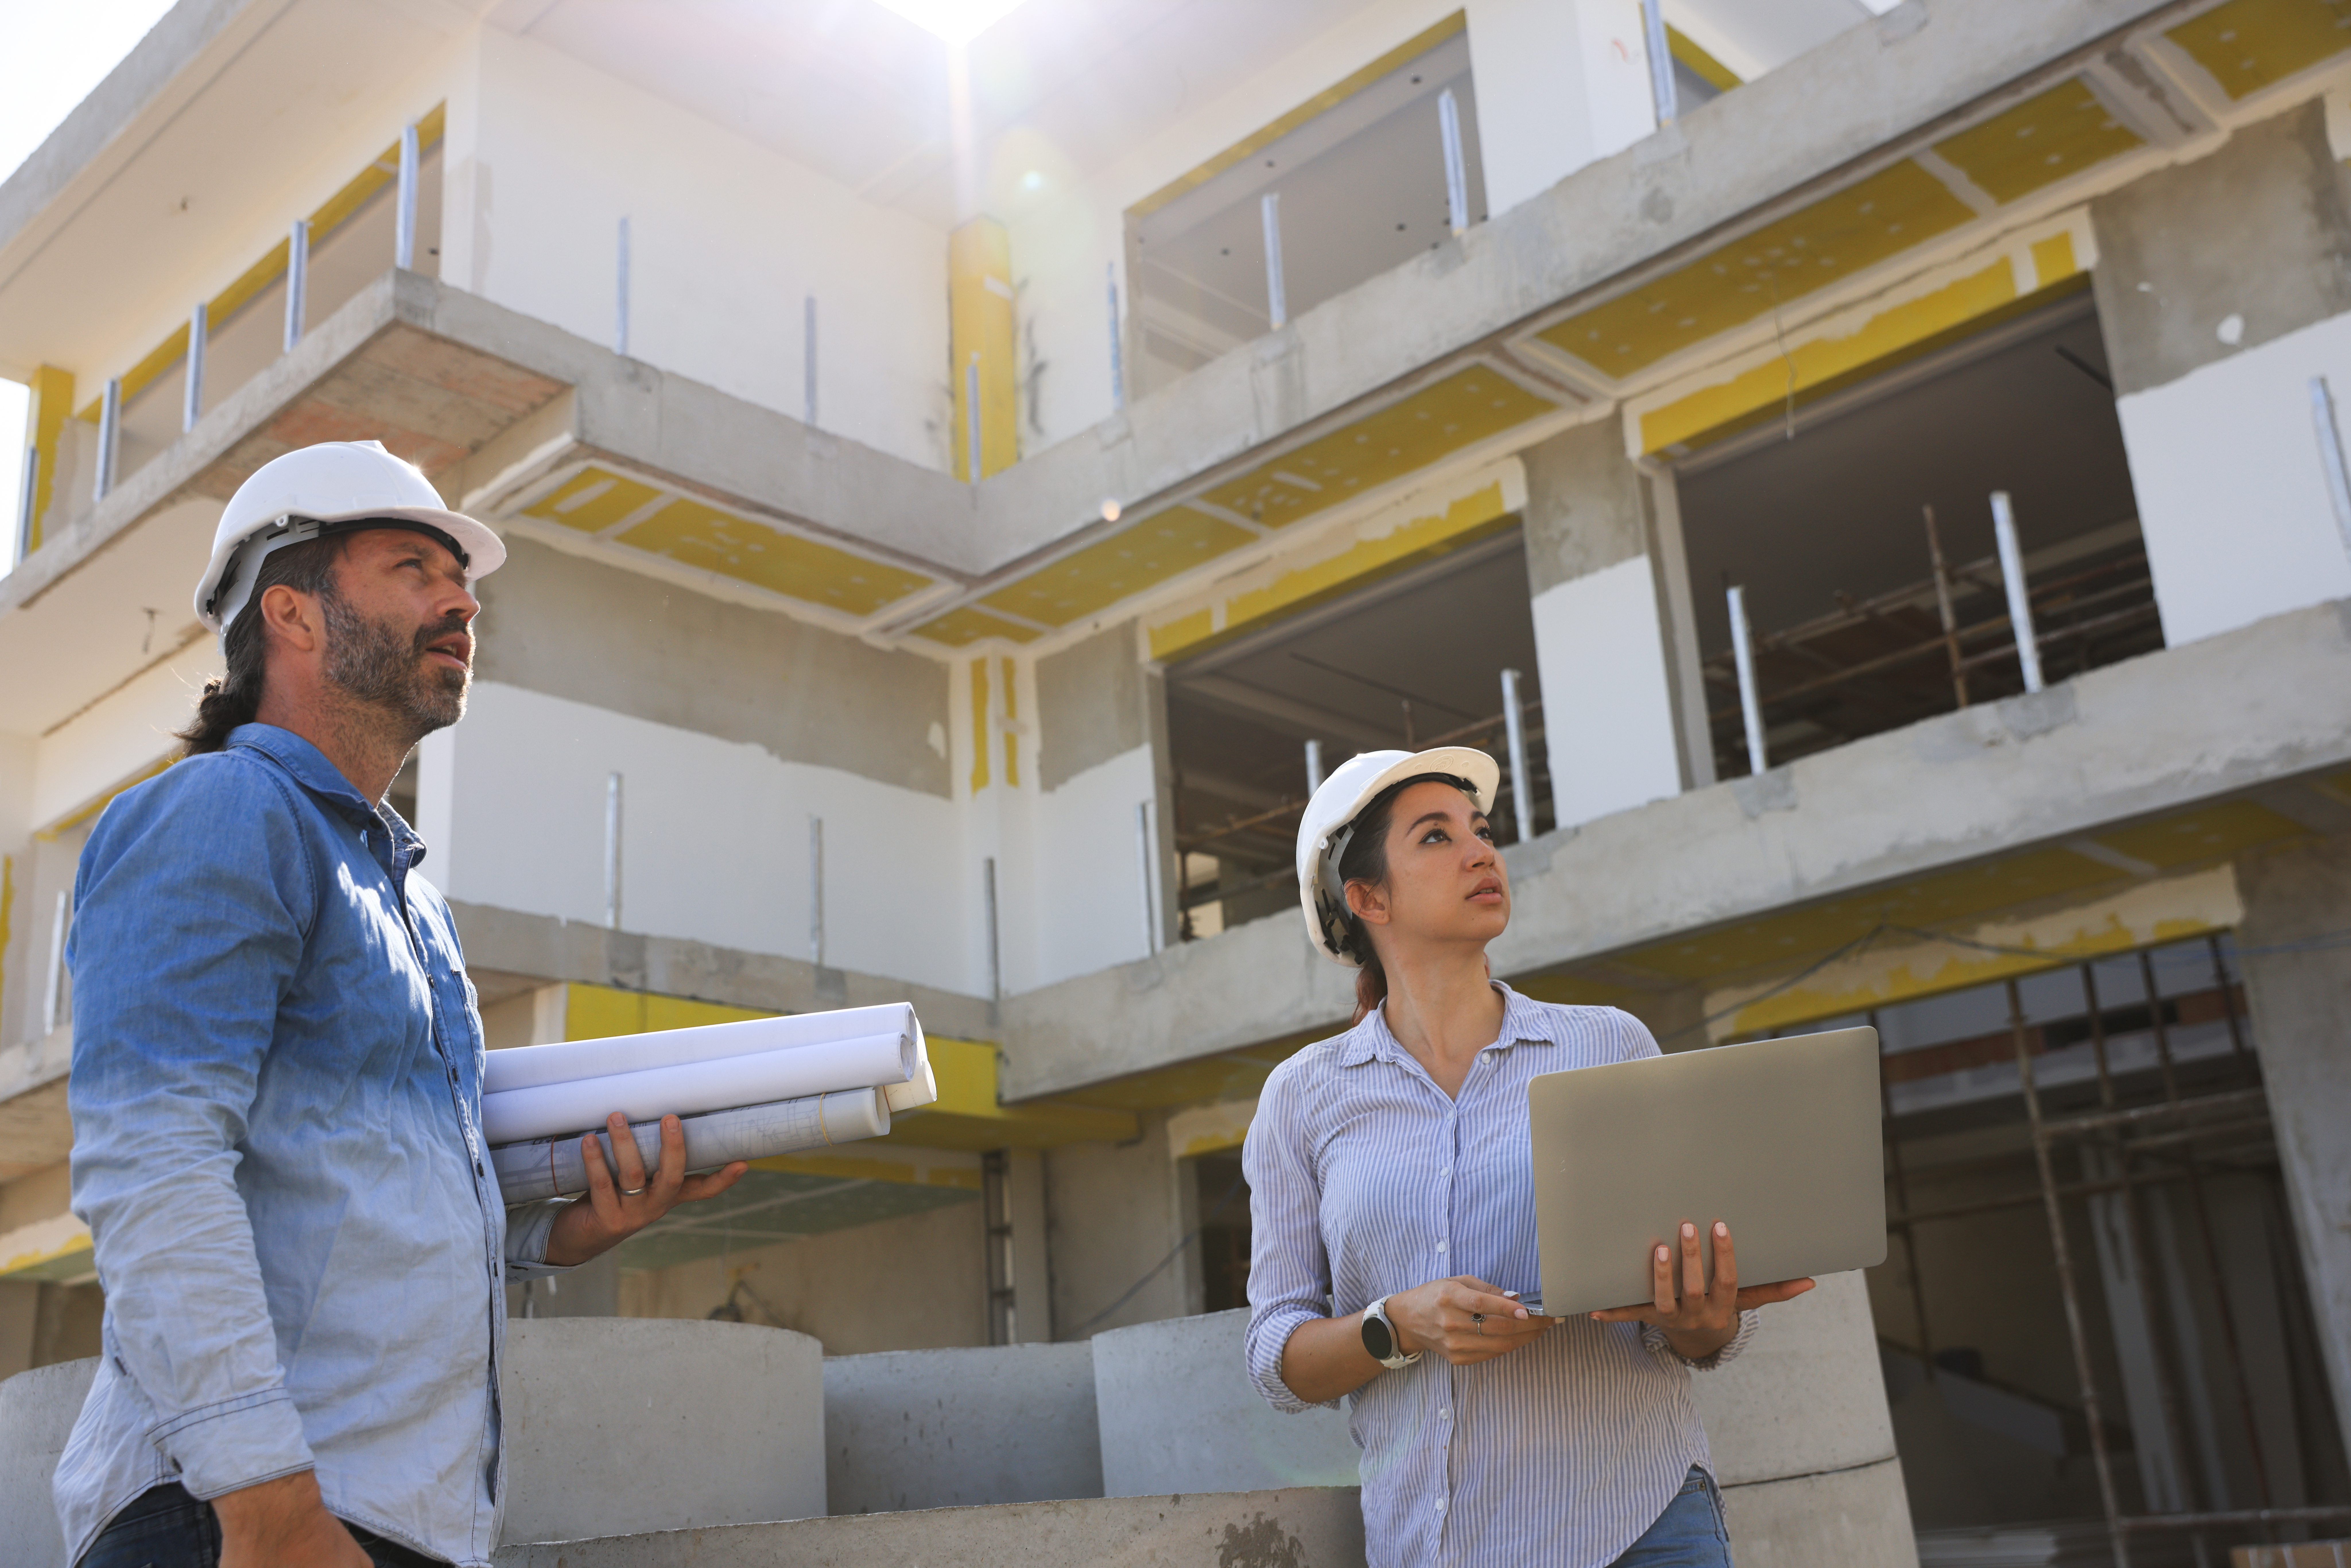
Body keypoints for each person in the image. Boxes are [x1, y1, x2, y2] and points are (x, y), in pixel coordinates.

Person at [55, 441, 748, 1568]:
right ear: (295, 612)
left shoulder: (409, 905)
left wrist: (558, 1229)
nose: (461, 599)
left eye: (461, 579)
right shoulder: (226, 811)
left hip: (365, 1523)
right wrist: (269, 1508)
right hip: (240, 1521)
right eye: (414, 567)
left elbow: (352, 1196)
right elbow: (155, 1163)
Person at [1242, 746, 1816, 1568]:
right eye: (1437, 839)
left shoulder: (1608, 1044)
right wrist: (1394, 1325)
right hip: (1438, 1545)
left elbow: (1695, 1332)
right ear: (1368, 897)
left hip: (1639, 1523)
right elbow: (1276, 1358)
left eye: (1481, 830)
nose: (1483, 852)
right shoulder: (1302, 1097)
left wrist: (1704, 1320)